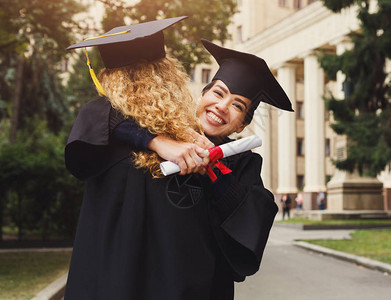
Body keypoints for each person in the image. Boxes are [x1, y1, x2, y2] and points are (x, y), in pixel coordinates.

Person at [64, 26, 293, 300]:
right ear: (202, 94)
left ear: (243, 123)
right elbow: (98, 116)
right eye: (219, 93)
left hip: (196, 287)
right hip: (124, 278)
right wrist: (157, 141)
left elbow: (251, 227)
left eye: (238, 106)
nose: (222, 106)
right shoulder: (151, 126)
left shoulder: (242, 162)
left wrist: (214, 170)